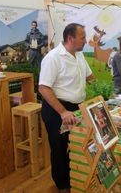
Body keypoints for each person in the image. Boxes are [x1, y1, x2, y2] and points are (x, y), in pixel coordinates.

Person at [38, 23, 95, 192]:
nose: (86, 40)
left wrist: (104, 92)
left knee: (76, 145)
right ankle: (62, 185)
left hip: (76, 108)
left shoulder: (79, 55)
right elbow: (43, 88)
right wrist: (62, 112)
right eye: (83, 37)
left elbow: (90, 77)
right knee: (60, 148)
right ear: (70, 38)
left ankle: (76, 179)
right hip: (58, 109)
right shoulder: (53, 57)